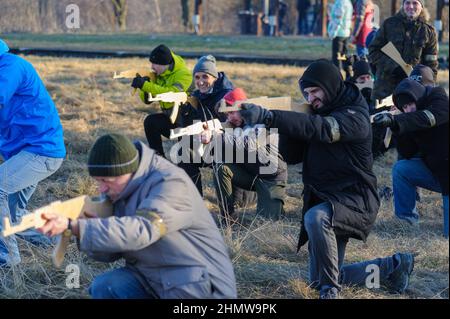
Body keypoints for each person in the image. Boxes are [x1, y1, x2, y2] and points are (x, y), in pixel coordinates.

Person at [237, 59, 415, 299]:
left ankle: (331, 292)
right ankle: (393, 266)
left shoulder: (355, 114)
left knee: (316, 220)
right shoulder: (317, 113)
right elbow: (292, 155)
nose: (311, 99)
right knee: (318, 279)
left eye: (315, 92)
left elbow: (324, 130)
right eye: (307, 94)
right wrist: (278, 128)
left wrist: (272, 117)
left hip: (354, 198)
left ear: (330, 86)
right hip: (325, 197)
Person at [37, 133, 237, 299]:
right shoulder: (118, 189)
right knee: (106, 287)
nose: (102, 188)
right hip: (151, 276)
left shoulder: (171, 183)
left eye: (107, 180)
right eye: (98, 181)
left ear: (128, 171)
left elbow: (143, 230)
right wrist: (85, 227)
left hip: (199, 284)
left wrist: (78, 227)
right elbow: (110, 253)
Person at [0, 39, 66, 267]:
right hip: (25, 155)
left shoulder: (11, 66)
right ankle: (56, 236)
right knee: (13, 216)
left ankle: (8, 259)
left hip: (41, 152)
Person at [373, 79, 448, 238]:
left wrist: (400, 120)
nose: (408, 110)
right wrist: (396, 127)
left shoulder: (438, 98)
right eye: (404, 107)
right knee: (402, 169)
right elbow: (407, 152)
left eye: (410, 104)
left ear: (418, 97)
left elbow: (430, 117)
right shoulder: (409, 119)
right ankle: (405, 221)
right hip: (439, 174)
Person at [200, 88, 287, 221]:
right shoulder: (234, 126)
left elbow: (250, 144)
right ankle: (228, 216)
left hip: (271, 179)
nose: (230, 118)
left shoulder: (260, 121)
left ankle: (268, 201)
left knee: (268, 223)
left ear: (244, 109)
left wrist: (218, 136)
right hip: (250, 175)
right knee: (221, 167)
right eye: (227, 115)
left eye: (232, 112)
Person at [177, 55, 234, 196]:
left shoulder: (227, 95)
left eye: (205, 77)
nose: (200, 82)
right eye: (197, 77)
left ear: (214, 77)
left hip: (229, 146)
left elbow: (231, 126)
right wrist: (184, 114)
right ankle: (195, 198)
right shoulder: (196, 96)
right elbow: (187, 135)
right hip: (207, 143)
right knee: (184, 152)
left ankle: (231, 202)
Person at [368, 0, 438, 101]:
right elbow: (373, 51)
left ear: (421, 6)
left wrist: (430, 87)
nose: (411, 6)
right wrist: (393, 67)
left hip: (414, 89)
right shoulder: (389, 24)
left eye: (415, 3)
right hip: (385, 88)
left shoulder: (428, 31)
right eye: (407, 3)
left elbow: (431, 64)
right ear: (403, 5)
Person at [139, 44, 192, 156]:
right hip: (171, 120)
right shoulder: (159, 74)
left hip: (188, 124)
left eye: (155, 63)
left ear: (165, 64)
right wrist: (143, 87)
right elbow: (147, 101)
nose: (152, 67)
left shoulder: (184, 74)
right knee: (150, 121)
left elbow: (172, 94)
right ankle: (158, 158)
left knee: (185, 158)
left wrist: (146, 86)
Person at [327, 0, 353, 77]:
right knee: (344, 54)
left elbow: (338, 19)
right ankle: (348, 74)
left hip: (338, 33)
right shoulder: (348, 2)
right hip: (346, 32)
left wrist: (333, 32)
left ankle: (337, 76)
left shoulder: (340, 2)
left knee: (337, 56)